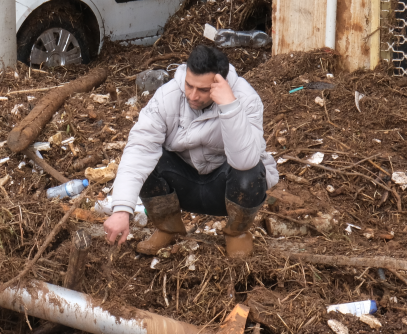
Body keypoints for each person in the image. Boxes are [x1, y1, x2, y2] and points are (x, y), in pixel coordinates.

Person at [103, 45, 277, 258]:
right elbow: (140, 147)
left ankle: (236, 234)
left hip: (224, 189)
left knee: (251, 172)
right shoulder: (167, 96)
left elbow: (245, 161)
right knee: (149, 161)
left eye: (203, 90)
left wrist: (230, 107)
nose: (193, 96)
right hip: (182, 183)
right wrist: (121, 209)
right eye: (189, 85)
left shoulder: (246, 98)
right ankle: (169, 228)